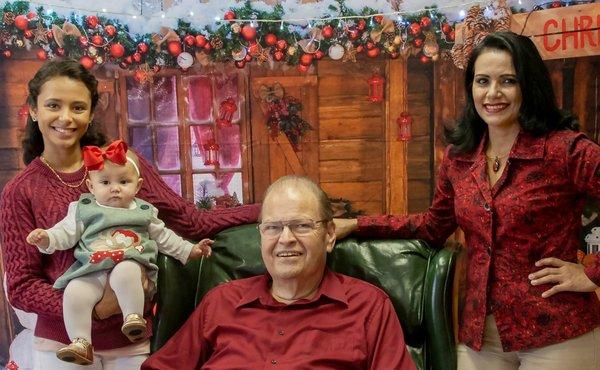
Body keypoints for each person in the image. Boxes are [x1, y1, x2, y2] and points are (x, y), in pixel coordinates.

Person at [336, 31, 600, 370]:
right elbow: (432, 226)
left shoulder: (564, 150)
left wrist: (591, 274)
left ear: (528, 86)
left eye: (508, 81)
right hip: (482, 336)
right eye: (482, 81)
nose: (493, 93)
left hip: (558, 332)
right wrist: (357, 223)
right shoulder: (459, 159)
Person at [0, 59, 260, 369]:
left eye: (78, 107)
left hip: (130, 340)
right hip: (61, 344)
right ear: (33, 109)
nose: (66, 118)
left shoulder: (123, 167)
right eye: (53, 105)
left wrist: (268, 210)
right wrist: (94, 307)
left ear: (91, 112)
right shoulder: (20, 191)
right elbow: (22, 286)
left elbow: (193, 221)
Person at [141, 175, 416, 370]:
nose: (285, 238)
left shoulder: (368, 307)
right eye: (272, 227)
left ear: (330, 235)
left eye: (302, 226)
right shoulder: (220, 302)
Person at [26, 139, 213, 365]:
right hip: (91, 268)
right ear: (91, 186)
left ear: (137, 185)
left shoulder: (144, 211)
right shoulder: (83, 208)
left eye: (123, 181)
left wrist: (190, 250)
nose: (115, 188)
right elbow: (66, 232)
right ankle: (80, 341)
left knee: (126, 271)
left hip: (131, 264)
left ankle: (132, 317)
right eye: (105, 182)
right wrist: (47, 238)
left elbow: (165, 237)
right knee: (74, 291)